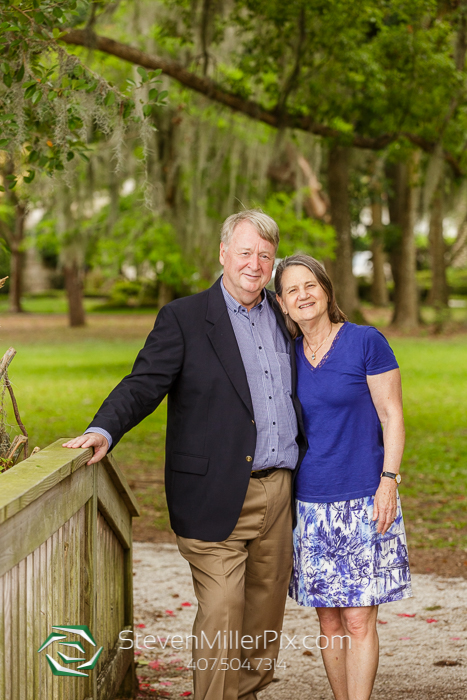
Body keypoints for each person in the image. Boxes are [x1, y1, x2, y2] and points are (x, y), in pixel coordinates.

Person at [63, 210, 306, 700]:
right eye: (245, 252)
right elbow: (144, 383)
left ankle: (248, 692)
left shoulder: (286, 319)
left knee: (264, 614)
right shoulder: (185, 317)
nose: (255, 264)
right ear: (222, 254)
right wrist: (104, 428)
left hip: (279, 491)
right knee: (221, 610)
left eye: (265, 255)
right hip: (212, 493)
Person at [274, 254, 412, 700]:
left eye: (310, 285)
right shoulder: (287, 356)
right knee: (328, 619)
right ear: (282, 303)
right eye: (292, 290)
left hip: (365, 497)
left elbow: (392, 416)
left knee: (357, 619)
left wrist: (388, 479)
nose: (303, 295)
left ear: (327, 290)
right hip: (310, 502)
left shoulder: (365, 342)